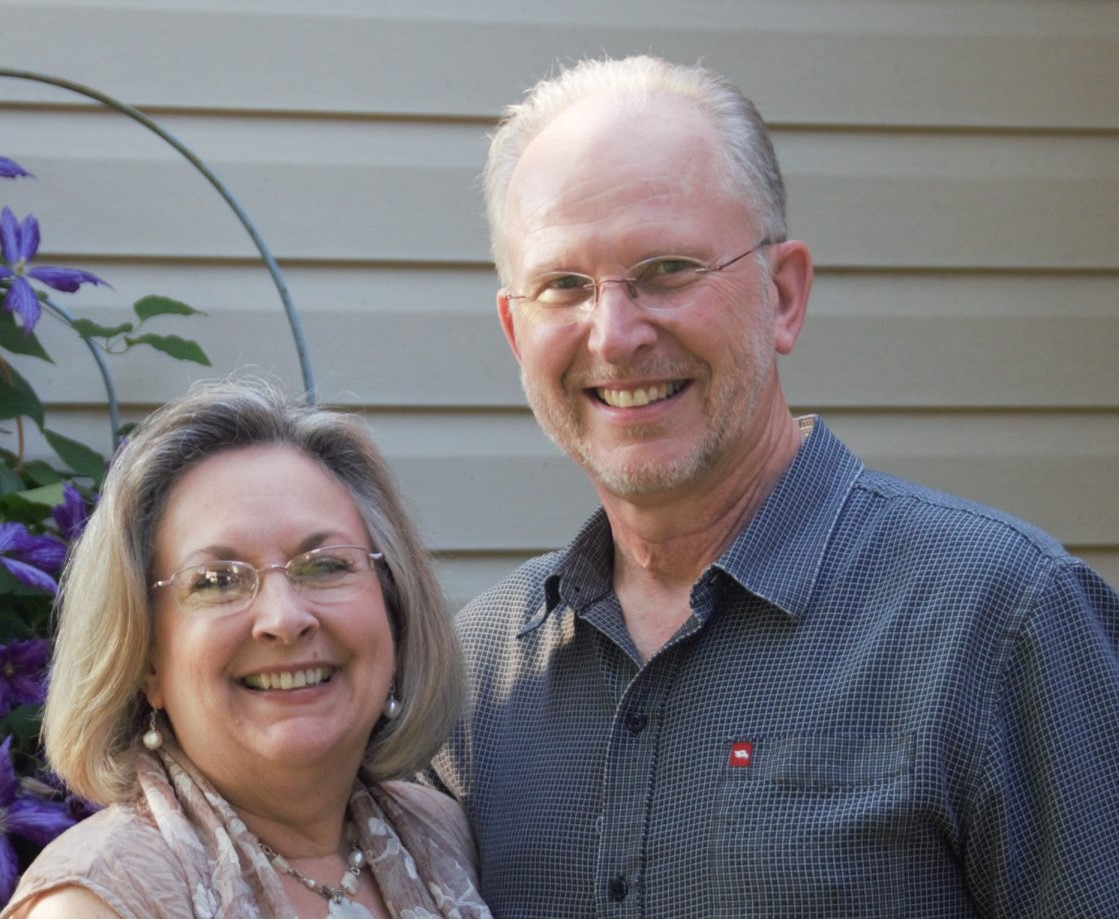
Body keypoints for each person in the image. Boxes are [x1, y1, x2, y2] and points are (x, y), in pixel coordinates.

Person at [429, 54, 1119, 917]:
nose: (612, 333)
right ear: (513, 330)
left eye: (667, 269)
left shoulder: (1003, 620)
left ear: (783, 294)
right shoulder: (476, 682)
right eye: (563, 285)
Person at [4, 378, 491, 918]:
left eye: (326, 565)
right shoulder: (99, 902)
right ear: (146, 661)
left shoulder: (440, 838)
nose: (284, 619)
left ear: (394, 610)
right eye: (215, 580)